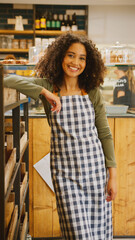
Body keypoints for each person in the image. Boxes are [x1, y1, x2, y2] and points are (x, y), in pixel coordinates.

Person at [4, 33, 117, 240]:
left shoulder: (91, 91)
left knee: (99, 234)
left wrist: (113, 176)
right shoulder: (49, 87)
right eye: (70, 55)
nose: (76, 62)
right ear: (60, 57)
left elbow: (105, 134)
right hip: (65, 177)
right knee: (78, 234)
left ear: (88, 62)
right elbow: (8, 79)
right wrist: (43, 93)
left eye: (82, 58)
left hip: (95, 173)